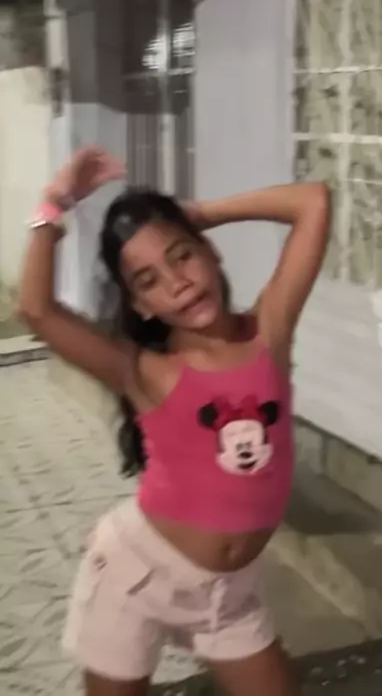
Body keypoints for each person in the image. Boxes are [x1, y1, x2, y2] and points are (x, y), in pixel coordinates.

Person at [18, 146, 331, 696]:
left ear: (210, 251)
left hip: (229, 596)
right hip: (135, 578)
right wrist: (53, 203)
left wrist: (203, 213)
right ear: (141, 306)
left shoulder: (269, 332)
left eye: (182, 256)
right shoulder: (145, 371)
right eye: (149, 280)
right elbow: (36, 310)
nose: (177, 282)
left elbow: (313, 202)